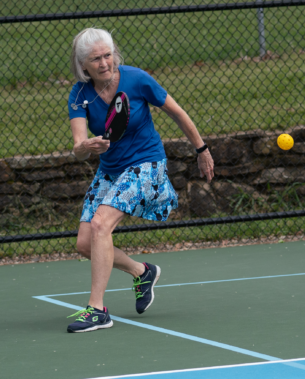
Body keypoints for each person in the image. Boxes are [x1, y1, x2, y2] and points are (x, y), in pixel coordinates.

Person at [66, 28, 214, 333]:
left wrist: (201, 149)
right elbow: (78, 147)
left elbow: (177, 113)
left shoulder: (136, 79)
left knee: (100, 225)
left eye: (108, 55)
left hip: (146, 163)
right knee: (84, 243)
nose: (104, 62)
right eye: (96, 59)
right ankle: (141, 272)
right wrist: (86, 147)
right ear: (84, 65)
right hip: (110, 169)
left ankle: (97, 310)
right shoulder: (79, 95)